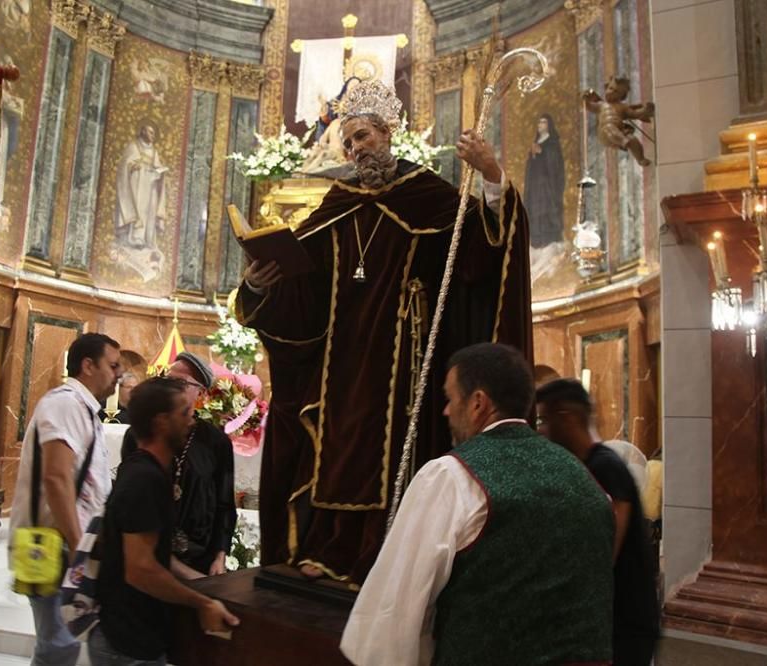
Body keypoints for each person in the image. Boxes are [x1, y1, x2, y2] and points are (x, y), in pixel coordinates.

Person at [237, 78, 532, 583]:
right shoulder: (334, 207)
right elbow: (300, 295)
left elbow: (482, 259)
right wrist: (260, 286)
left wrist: (490, 175)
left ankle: (390, 559)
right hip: (340, 365)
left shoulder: (429, 198)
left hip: (406, 359)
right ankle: (328, 550)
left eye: (363, 136)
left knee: (397, 453)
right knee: (336, 454)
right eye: (348, 141)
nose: (355, 149)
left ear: (387, 133)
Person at [341, 343, 614, 665]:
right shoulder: (586, 482)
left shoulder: (450, 478)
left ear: (478, 403)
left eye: (450, 398)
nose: (445, 410)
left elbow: (391, 620)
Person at [91, 376, 240, 665]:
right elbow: (141, 570)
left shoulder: (145, 471)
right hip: (128, 644)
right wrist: (202, 602)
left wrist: (203, 584)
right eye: (183, 413)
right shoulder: (144, 480)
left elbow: (153, 555)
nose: (191, 420)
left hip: (136, 638)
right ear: (161, 422)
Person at [10, 332, 121, 666]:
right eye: (113, 365)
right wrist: (78, 552)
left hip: (68, 546)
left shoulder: (84, 408)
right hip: (54, 546)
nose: (119, 374)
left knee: (62, 643)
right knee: (58, 646)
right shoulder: (65, 403)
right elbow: (57, 478)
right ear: (88, 365)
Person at [536, 378, 660, 665]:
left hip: (625, 623)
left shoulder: (605, 467)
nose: (540, 431)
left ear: (565, 418)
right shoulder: (587, 465)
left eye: (543, 419)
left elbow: (604, 551)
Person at [122, 352, 237, 577]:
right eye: (169, 381)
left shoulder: (215, 441)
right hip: (154, 557)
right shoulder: (140, 435)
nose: (171, 389)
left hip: (199, 558)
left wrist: (219, 555)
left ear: (201, 393)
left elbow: (225, 504)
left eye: (180, 384)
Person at [115, 121, 168, 250]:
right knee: (138, 208)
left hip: (150, 186)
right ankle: (135, 237)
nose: (152, 135)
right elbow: (125, 164)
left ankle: (148, 238)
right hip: (136, 183)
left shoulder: (154, 151)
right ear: (143, 131)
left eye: (154, 133)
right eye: (150, 132)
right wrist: (133, 165)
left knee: (149, 210)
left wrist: (161, 172)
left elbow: (157, 166)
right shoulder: (134, 147)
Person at [524, 113, 565, 248]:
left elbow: (555, 164)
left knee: (548, 209)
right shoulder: (536, 142)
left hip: (548, 185)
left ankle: (550, 238)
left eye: (543, 122)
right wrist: (534, 156)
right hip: (536, 185)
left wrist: (542, 152)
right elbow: (531, 165)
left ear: (549, 125)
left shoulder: (552, 142)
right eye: (539, 122)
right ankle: (537, 239)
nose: (540, 125)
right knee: (535, 209)